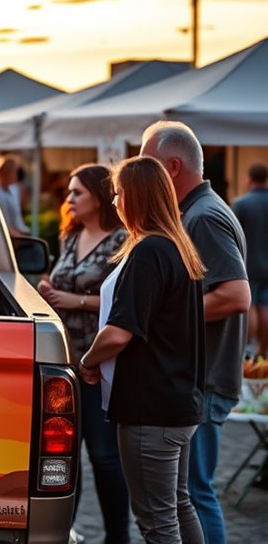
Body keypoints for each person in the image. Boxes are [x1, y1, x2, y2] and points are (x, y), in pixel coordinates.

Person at [80, 155, 206, 544]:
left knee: (156, 521)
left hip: (149, 408)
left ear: (135, 197)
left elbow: (119, 332)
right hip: (177, 401)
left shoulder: (149, 251)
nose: (115, 202)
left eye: (118, 194)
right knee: (178, 506)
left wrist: (87, 359)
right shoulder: (178, 247)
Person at [140, 121, 249, 544]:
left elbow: (236, 296)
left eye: (148, 164)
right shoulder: (200, 211)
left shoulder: (204, 216)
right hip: (200, 379)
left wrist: (164, 318)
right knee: (189, 494)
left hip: (204, 381)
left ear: (171, 166)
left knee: (194, 495)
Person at [37, 164, 131, 543]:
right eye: (69, 193)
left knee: (105, 457)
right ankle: (60, 532)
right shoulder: (71, 236)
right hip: (63, 364)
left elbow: (123, 303)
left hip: (99, 364)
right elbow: (61, 281)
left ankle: (118, 536)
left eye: (77, 192)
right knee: (62, 457)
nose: (69, 199)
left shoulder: (121, 240)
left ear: (99, 194)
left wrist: (73, 299)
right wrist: (47, 289)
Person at [232, 163, 268, 359]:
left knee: (251, 307)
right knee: (266, 307)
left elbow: (232, 234)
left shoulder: (242, 203)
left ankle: (248, 351)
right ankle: (263, 352)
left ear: (249, 179)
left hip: (249, 263)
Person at [0, 155, 29, 236]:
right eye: (14, 172)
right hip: (10, 237)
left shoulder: (13, 189)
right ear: (6, 173)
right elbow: (3, 223)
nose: (16, 175)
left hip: (20, 234)